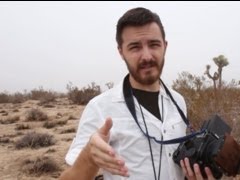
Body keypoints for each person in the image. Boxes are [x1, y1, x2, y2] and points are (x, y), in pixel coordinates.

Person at [59, 7, 214, 180]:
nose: (147, 56)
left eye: (154, 44)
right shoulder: (100, 107)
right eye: (135, 47)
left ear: (165, 46)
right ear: (121, 52)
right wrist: (89, 156)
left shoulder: (178, 101)